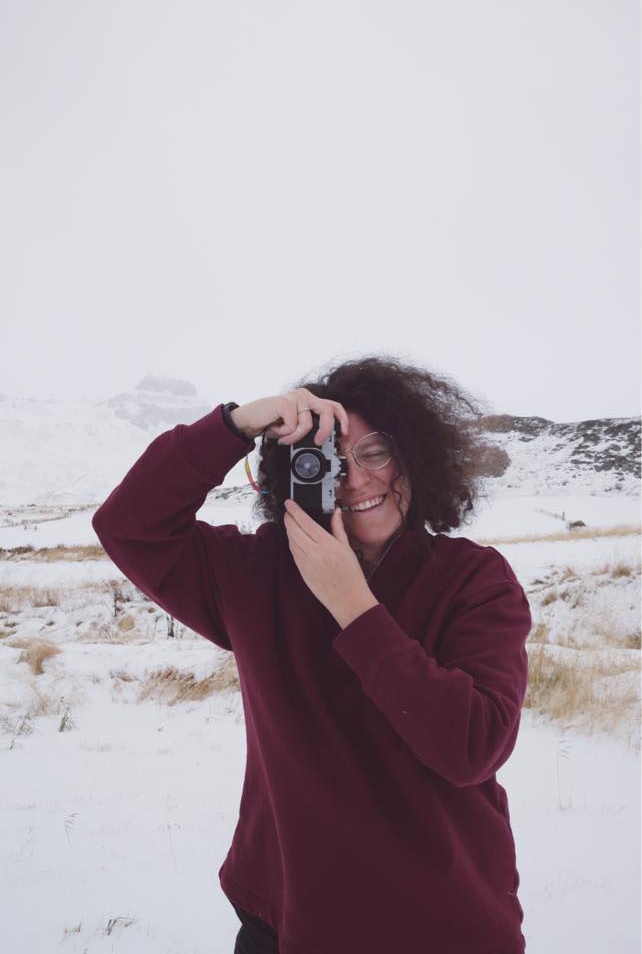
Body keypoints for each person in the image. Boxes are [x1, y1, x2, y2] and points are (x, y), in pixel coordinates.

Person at [92, 355, 531, 954]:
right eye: (330, 460)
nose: (357, 480)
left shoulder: (474, 580)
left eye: (376, 452)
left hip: (436, 923)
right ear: (293, 474)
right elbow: (129, 525)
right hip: (283, 916)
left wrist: (353, 605)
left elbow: (472, 746)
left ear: (415, 457)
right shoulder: (257, 572)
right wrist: (236, 424)